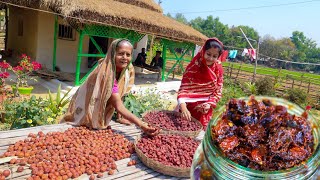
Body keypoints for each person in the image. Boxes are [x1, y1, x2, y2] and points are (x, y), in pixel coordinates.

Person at [61, 39, 159, 136]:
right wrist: (141, 124)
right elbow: (117, 104)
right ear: (112, 54)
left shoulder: (128, 69)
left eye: (128, 54)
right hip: (86, 101)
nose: (125, 57)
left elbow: (121, 93)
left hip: (107, 98)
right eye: (120, 53)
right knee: (87, 121)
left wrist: (120, 117)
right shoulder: (106, 73)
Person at [177, 38, 224, 130]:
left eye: (214, 56)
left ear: (218, 57)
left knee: (199, 135)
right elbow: (183, 89)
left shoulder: (218, 70)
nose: (210, 58)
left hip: (204, 111)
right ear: (203, 51)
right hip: (188, 109)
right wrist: (183, 108)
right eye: (208, 54)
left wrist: (209, 104)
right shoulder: (193, 67)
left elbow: (218, 91)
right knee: (182, 132)